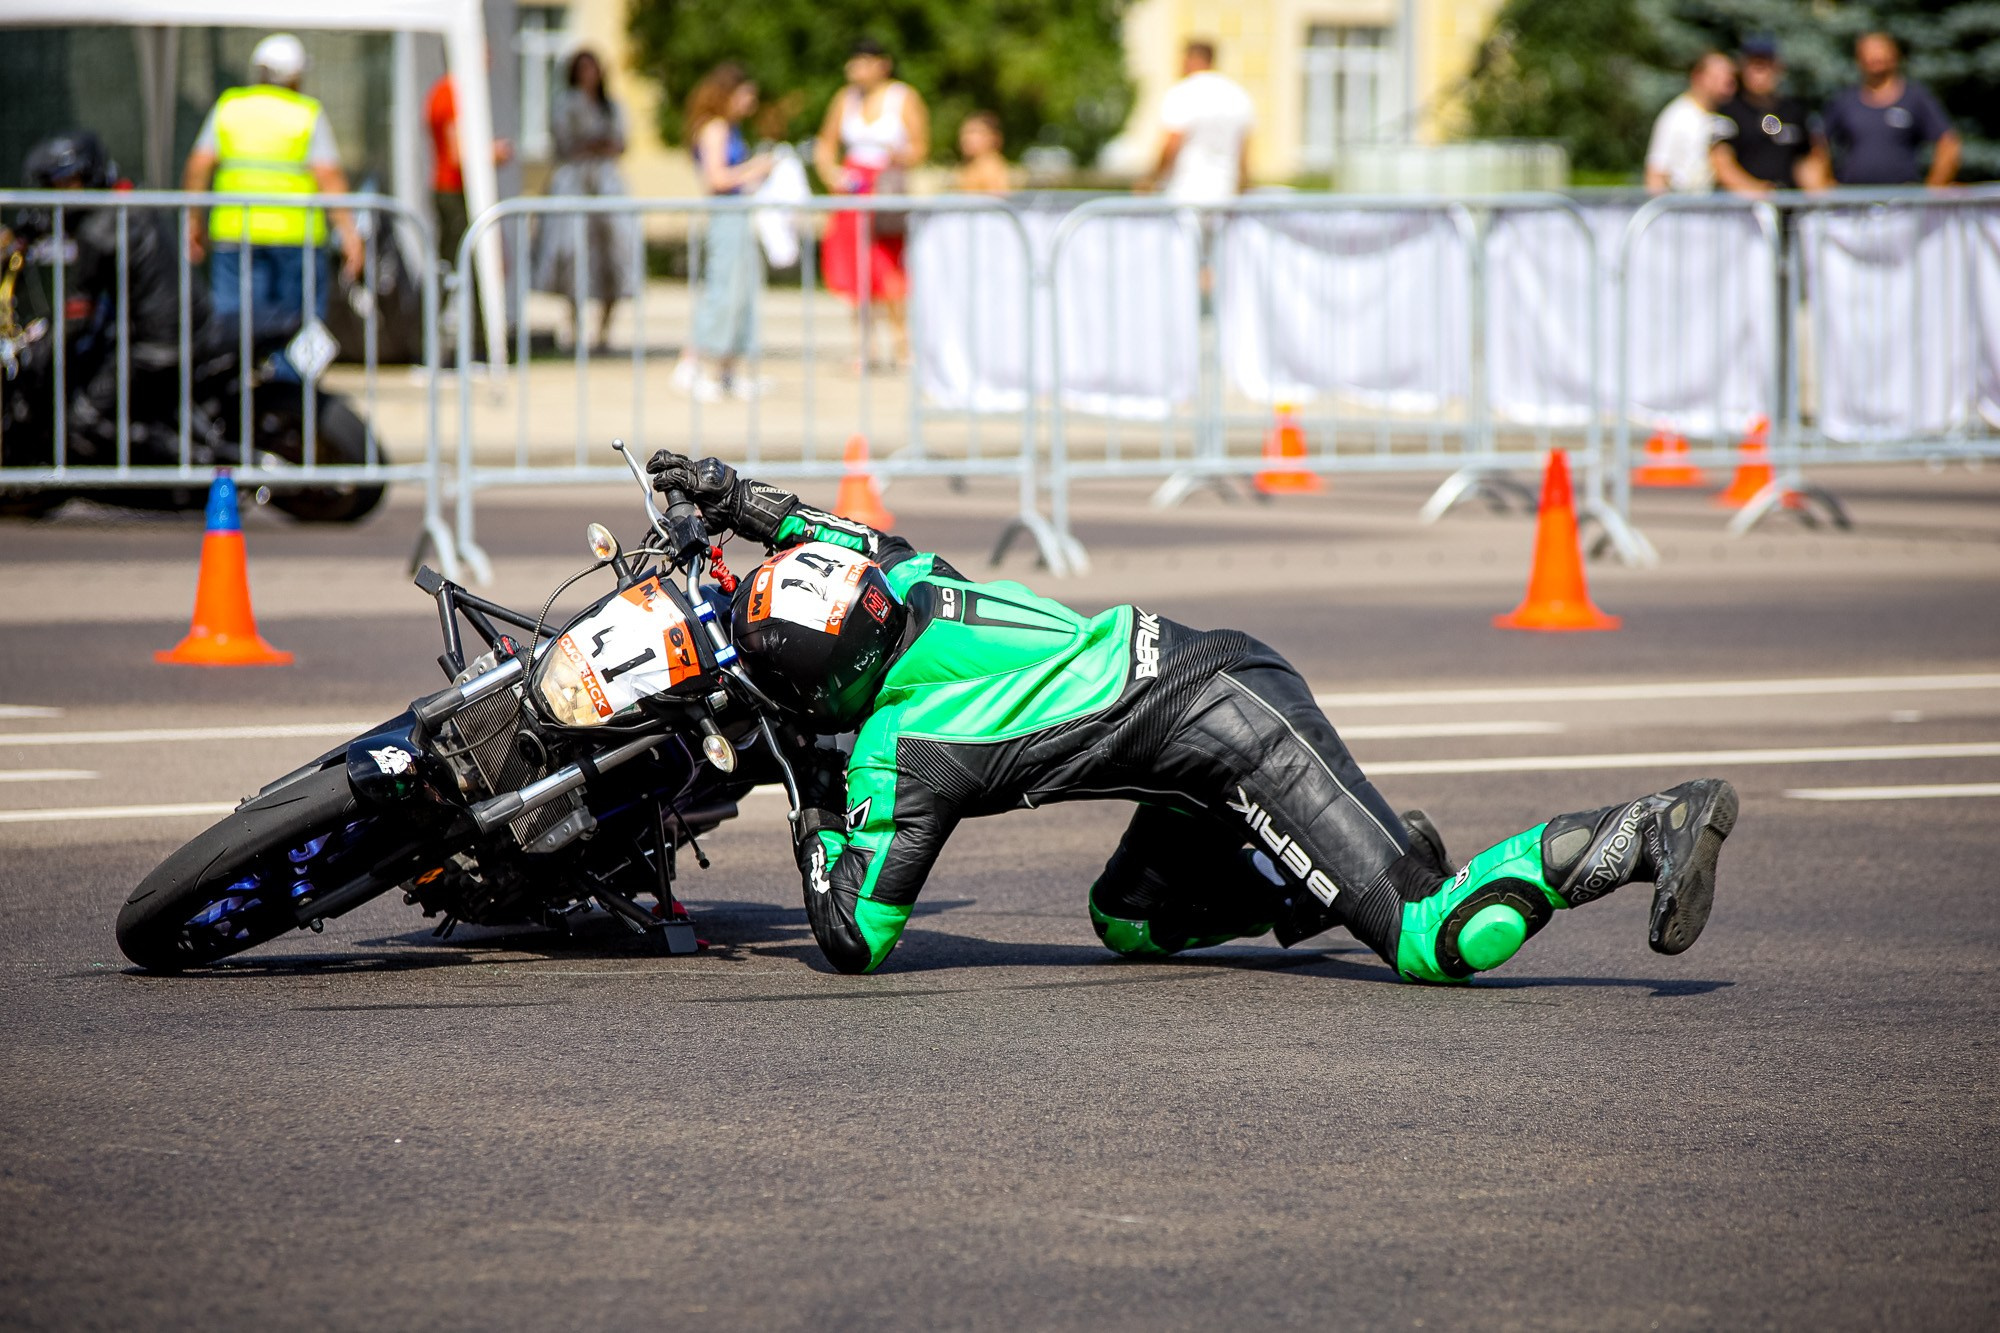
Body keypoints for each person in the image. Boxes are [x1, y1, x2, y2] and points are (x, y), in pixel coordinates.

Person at [644, 450, 1740, 981]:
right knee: (1125, 922)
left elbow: (850, 935)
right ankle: (1325, 868)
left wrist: (804, 798)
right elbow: (820, 530)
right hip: (1182, 731)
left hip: (1235, 725)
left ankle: (1645, 829)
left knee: (1428, 938)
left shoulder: (901, 753)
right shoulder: (906, 580)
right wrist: (733, 500)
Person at [17, 132, 211, 461]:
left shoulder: (100, 229)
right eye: (54, 185)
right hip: (180, 322)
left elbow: (80, 308)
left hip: (157, 342)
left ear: (89, 176)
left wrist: (39, 349)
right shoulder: (123, 201)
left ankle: (193, 465)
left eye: (69, 183)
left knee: (84, 418)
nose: (61, 194)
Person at [182, 33, 364, 361]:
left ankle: (235, 398)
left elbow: (198, 165)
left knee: (234, 325)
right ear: (296, 75)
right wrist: (349, 234)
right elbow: (329, 176)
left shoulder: (230, 107)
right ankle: (295, 403)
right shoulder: (306, 113)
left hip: (236, 233)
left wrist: (192, 221)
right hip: (296, 238)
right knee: (300, 329)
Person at [813, 38, 929, 369]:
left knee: (889, 267)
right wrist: (832, 173)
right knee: (856, 268)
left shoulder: (902, 97)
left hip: (885, 188)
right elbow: (826, 143)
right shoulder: (844, 99)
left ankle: (903, 343)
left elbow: (921, 146)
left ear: (882, 64)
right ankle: (865, 346)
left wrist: (896, 156)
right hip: (853, 191)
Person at [532, 49, 640, 353]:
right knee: (571, 251)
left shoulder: (611, 106)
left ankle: (604, 331)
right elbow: (564, 143)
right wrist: (591, 145)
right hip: (574, 184)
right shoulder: (566, 104)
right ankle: (574, 327)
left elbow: (621, 143)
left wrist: (601, 146)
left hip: (606, 186)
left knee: (616, 251)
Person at [684, 62, 773, 401]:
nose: (750, 101)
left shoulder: (731, 128)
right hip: (725, 215)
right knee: (723, 290)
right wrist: (756, 168)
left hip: (739, 213)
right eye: (745, 93)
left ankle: (727, 372)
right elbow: (716, 179)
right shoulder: (715, 128)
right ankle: (701, 367)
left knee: (741, 292)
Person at [1821, 32, 1960, 188]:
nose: (1874, 59)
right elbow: (1818, 143)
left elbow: (1948, 142)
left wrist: (1933, 189)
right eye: (1868, 54)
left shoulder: (1915, 98)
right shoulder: (1845, 100)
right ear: (1858, 59)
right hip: (1854, 199)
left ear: (1894, 56)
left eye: (1880, 53)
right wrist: (1824, 184)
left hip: (1903, 198)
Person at [1712, 36, 1830, 195]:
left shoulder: (1794, 111)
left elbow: (1809, 160)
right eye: (1755, 66)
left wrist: (1817, 192)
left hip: (1791, 206)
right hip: (1745, 209)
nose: (1760, 73)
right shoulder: (1729, 111)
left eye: (1766, 66)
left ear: (1778, 68)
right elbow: (1722, 163)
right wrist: (1758, 192)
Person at [1144, 40, 1253, 201]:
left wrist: (1151, 179)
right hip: (1226, 191)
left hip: (1185, 190)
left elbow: (1171, 143)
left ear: (1191, 59)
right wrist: (1244, 186)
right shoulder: (1238, 95)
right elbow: (1243, 151)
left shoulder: (1182, 93)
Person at [1645, 52, 1736, 194]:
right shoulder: (1677, 116)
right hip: (1683, 210)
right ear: (1698, 76)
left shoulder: (1722, 117)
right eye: (1718, 77)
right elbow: (1656, 174)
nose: (1727, 84)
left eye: (1730, 78)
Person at [954, 111, 1011, 194]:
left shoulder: (990, 166)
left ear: (993, 137)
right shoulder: (970, 165)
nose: (966, 138)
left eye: (974, 132)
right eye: (964, 133)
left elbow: (995, 202)